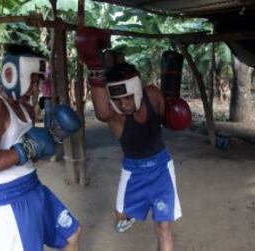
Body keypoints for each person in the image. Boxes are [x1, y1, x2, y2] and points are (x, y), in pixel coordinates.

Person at [75, 27, 191, 251]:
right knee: (120, 218)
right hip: (134, 171)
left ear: (137, 88)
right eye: (119, 99)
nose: (125, 104)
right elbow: (101, 112)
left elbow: (167, 117)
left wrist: (174, 117)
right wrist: (95, 67)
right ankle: (130, 213)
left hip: (161, 168)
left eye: (128, 97)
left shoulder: (154, 95)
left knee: (163, 227)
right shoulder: (116, 117)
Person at [0, 44, 82, 251]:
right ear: (12, 73)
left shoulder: (26, 107)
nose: (36, 87)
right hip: (9, 196)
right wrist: (26, 149)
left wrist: (51, 138)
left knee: (71, 234)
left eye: (39, 81)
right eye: (33, 79)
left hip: (33, 186)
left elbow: (30, 155)